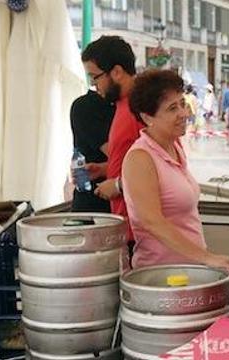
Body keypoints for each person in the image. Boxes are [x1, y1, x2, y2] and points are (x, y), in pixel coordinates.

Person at [122, 69, 229, 270]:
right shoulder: (140, 158)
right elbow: (151, 221)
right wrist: (206, 257)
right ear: (148, 118)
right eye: (172, 108)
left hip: (190, 270)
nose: (183, 113)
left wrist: (202, 257)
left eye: (182, 104)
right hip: (162, 276)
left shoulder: (174, 148)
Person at [81, 36, 141, 230]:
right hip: (123, 221)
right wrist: (104, 169)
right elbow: (135, 162)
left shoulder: (142, 110)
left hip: (139, 226)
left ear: (116, 72)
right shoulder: (120, 105)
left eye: (95, 77)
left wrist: (117, 185)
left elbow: (160, 169)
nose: (94, 84)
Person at [69, 89, 115, 213]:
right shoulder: (86, 107)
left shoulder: (128, 107)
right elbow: (120, 157)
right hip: (95, 206)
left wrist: (104, 169)